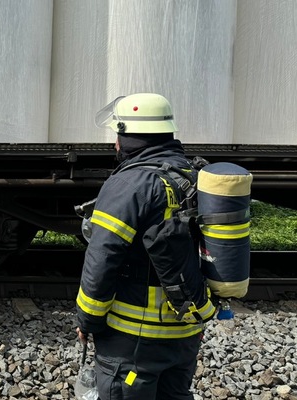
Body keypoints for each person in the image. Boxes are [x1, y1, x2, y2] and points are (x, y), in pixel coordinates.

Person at [75, 93, 217, 400]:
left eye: (119, 133)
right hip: (186, 332)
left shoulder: (130, 184)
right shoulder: (191, 175)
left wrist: (87, 320)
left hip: (135, 339)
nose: (115, 142)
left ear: (130, 137)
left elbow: (102, 258)